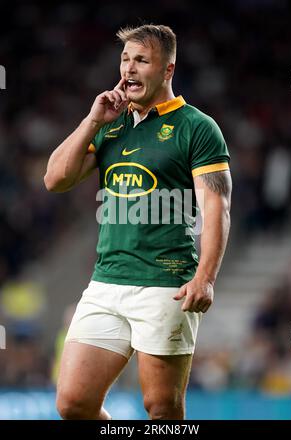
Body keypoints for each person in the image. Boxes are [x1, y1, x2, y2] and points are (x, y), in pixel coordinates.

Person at [44, 24, 232, 420]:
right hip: (106, 282)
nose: (129, 68)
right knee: (73, 403)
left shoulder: (197, 128)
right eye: (125, 59)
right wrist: (93, 120)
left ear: (168, 69)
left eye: (141, 60)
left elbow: (216, 207)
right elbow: (55, 179)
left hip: (165, 285)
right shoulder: (111, 122)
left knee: (161, 408)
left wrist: (206, 277)